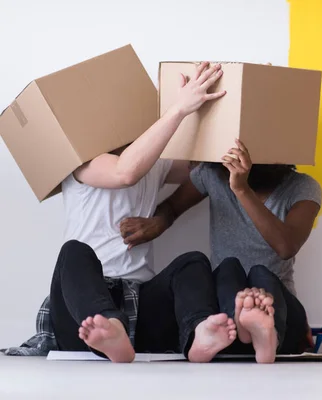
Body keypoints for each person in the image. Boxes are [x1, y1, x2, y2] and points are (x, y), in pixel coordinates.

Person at [2, 62, 238, 363]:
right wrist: (178, 110)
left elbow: (205, 168)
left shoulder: (156, 162)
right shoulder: (82, 163)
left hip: (141, 305)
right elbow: (125, 172)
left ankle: (199, 334)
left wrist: (239, 105)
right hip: (84, 314)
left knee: (193, 262)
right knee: (73, 253)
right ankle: (109, 329)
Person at [119, 138, 322, 363]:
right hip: (227, 318)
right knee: (228, 266)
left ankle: (267, 333)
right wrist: (158, 222)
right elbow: (172, 207)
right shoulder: (213, 174)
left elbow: (286, 246)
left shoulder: (302, 187)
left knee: (261, 273)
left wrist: (242, 189)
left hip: (279, 308)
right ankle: (241, 323)